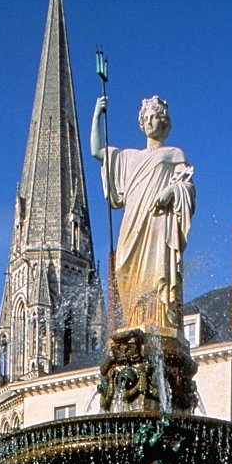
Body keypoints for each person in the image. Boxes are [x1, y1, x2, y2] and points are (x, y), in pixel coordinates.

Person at [91, 94, 195, 332]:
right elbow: (97, 151)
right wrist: (97, 115)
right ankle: (134, 322)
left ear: (164, 123)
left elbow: (187, 185)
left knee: (159, 273)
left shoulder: (174, 154)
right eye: (146, 117)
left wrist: (171, 192)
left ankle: (159, 322)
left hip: (158, 224)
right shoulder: (129, 157)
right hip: (132, 224)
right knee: (123, 270)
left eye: (155, 117)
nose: (150, 122)